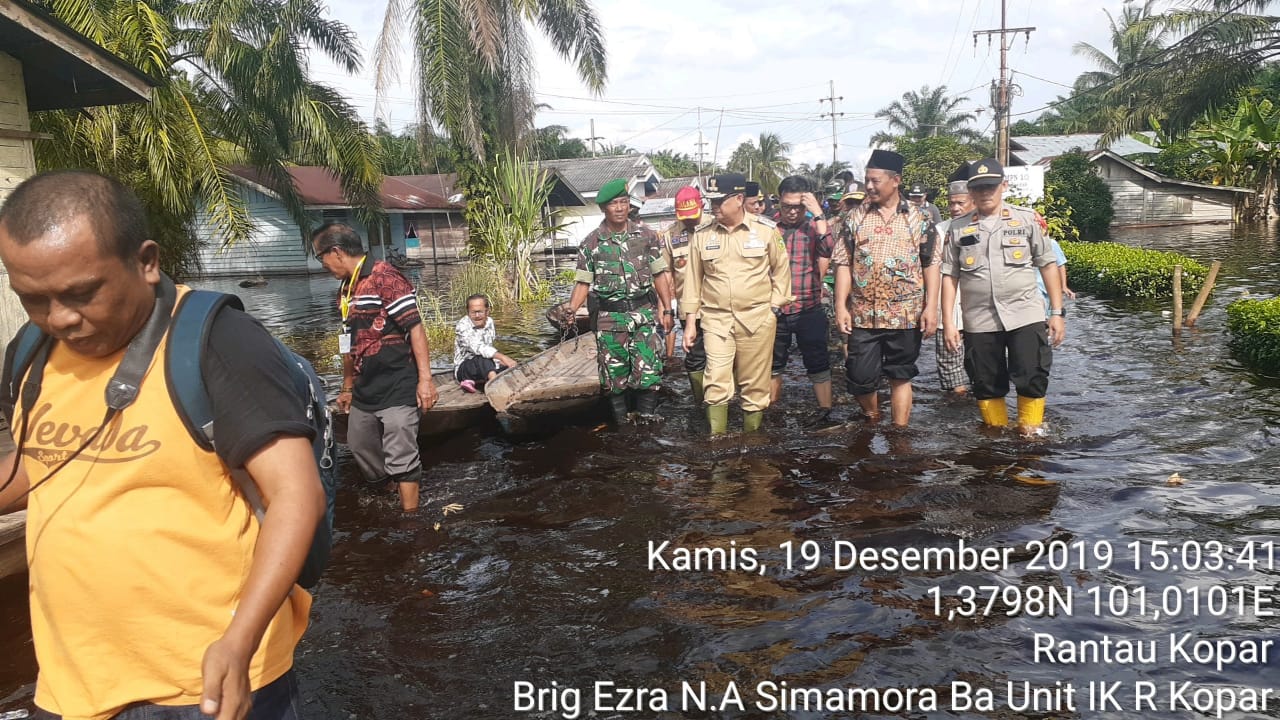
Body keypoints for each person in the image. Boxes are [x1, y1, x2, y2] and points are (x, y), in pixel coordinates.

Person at [0, 170, 322, 719]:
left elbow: (297, 494)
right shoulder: (32, 351)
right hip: (71, 681)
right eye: (33, 299)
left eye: (81, 294)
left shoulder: (219, 342)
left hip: (200, 678)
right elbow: (45, 463)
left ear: (146, 262)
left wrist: (238, 643)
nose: (60, 319)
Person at [313, 222, 438, 513]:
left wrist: (426, 380)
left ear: (337, 252)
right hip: (365, 388)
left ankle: (410, 519)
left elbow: (415, 328)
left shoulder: (386, 277)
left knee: (401, 452)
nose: (323, 265)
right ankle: (389, 488)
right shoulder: (346, 288)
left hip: (397, 383)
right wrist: (347, 386)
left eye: (322, 257)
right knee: (359, 444)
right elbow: (347, 341)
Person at [941, 158, 1066, 436]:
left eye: (991, 186)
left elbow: (1047, 264)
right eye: (979, 188)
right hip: (979, 318)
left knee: (1032, 374)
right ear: (971, 192)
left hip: (1025, 313)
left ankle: (1029, 436)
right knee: (985, 381)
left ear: (1004, 186)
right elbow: (949, 275)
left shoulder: (1026, 220)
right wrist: (949, 322)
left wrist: (1056, 313)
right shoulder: (957, 228)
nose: (985, 192)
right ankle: (996, 436)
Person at [833, 150, 939, 427]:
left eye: (875, 181)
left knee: (900, 375)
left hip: (906, 314)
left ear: (896, 181)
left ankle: (899, 432)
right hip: (863, 314)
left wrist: (931, 306)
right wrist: (840, 306)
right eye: (867, 180)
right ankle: (873, 415)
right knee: (859, 376)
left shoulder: (920, 219)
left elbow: (931, 264)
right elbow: (843, 262)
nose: (869, 186)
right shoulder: (854, 218)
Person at [682, 173, 793, 434]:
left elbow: (781, 272)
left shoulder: (765, 231)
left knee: (754, 384)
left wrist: (774, 308)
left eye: (720, 201)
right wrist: (690, 323)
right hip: (716, 321)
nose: (715, 207)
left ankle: (752, 441)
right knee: (715, 381)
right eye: (712, 201)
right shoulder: (702, 235)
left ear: (739, 199)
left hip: (757, 319)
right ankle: (717, 440)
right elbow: (693, 282)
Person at [566, 179, 675, 424]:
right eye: (613, 203)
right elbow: (583, 283)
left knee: (648, 373)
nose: (619, 208)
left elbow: (659, 274)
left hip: (643, 315)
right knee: (614, 379)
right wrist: (572, 309)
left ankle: (646, 424)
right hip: (609, 320)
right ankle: (622, 428)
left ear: (629, 206)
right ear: (604, 208)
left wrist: (666, 309)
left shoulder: (647, 237)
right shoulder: (591, 243)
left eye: (623, 202)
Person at [770, 175, 835, 418]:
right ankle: (773, 414)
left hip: (809, 306)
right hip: (776, 309)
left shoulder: (813, 227)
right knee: (773, 366)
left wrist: (817, 212)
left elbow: (829, 248)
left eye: (798, 207)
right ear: (779, 203)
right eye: (787, 206)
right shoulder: (770, 230)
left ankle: (825, 412)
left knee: (818, 362)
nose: (792, 212)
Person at [660, 186, 708, 401]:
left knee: (724, 356)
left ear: (702, 207)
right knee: (695, 358)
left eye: (693, 216)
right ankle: (700, 402)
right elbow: (666, 273)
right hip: (688, 309)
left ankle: (725, 400)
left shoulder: (716, 227)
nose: (689, 221)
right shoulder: (671, 234)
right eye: (684, 217)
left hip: (717, 306)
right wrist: (665, 309)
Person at [936, 164, 975, 395]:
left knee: (981, 370)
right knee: (951, 373)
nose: (955, 208)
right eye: (951, 203)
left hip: (979, 311)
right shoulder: (940, 230)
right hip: (948, 312)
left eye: (961, 203)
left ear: (973, 201)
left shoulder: (985, 227)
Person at [454, 294, 517, 392]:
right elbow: (478, 348)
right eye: (473, 313)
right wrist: (503, 357)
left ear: (487, 311)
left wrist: (503, 362)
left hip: (485, 366)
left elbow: (489, 348)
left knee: (508, 366)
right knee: (482, 358)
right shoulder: (462, 326)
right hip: (465, 369)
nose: (477, 316)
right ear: (468, 312)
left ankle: (488, 378)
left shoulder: (489, 322)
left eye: (480, 312)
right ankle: (496, 386)